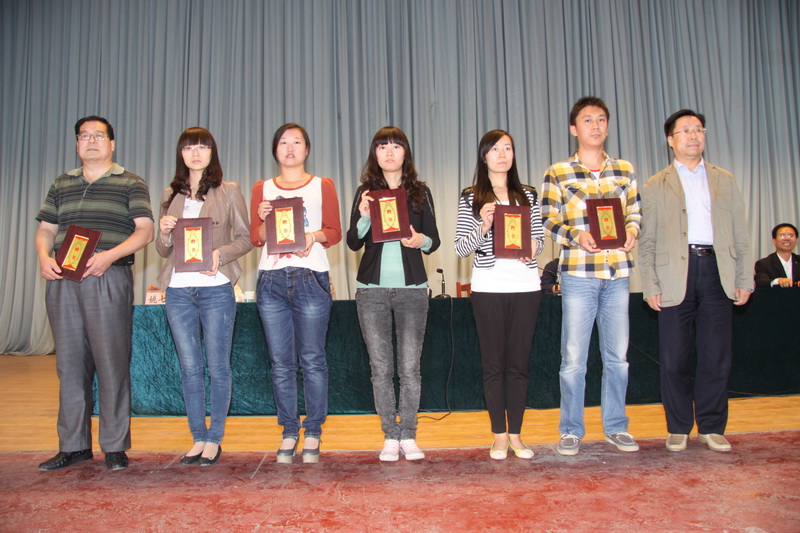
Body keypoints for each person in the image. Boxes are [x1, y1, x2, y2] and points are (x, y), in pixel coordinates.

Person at [35, 116, 154, 471]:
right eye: (84, 135)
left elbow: (145, 231)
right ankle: (73, 445)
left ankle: (114, 446)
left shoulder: (130, 182)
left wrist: (110, 256)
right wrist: (43, 257)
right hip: (63, 278)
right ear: (76, 143)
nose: (91, 141)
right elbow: (46, 228)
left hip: (108, 275)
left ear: (111, 143)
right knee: (69, 364)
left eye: (98, 135)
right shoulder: (62, 182)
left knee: (111, 361)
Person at [639, 109, 754, 453]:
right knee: (674, 358)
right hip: (674, 275)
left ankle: (712, 426)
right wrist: (650, 284)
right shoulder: (655, 184)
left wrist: (744, 277)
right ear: (670, 139)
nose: (693, 135)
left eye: (698, 129)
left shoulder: (724, 179)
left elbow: (740, 232)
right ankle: (678, 427)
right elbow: (647, 240)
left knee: (716, 355)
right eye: (685, 130)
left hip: (718, 271)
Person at [541, 97, 641, 456]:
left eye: (601, 119)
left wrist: (632, 231)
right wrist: (575, 236)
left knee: (618, 359)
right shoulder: (558, 172)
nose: (595, 126)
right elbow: (547, 219)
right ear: (574, 128)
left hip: (618, 274)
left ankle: (616, 426)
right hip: (579, 274)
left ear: (608, 126)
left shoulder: (624, 170)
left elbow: (635, 213)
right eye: (587, 120)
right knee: (573, 359)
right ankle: (570, 429)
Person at [155, 127, 252, 466]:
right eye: (188, 147)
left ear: (212, 152)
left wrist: (220, 254)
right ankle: (197, 437)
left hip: (215, 289)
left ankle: (215, 438)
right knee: (189, 368)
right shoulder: (170, 193)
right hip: (178, 290)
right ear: (181, 154)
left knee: (218, 366)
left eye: (202, 147)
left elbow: (246, 238)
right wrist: (163, 233)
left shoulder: (229, 190)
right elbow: (163, 250)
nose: (195, 153)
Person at [347, 127, 440, 462]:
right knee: (381, 368)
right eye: (382, 146)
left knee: (410, 368)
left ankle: (409, 434)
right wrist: (363, 217)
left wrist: (419, 240)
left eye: (396, 146)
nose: (389, 152)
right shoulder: (366, 192)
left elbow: (434, 241)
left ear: (405, 152)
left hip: (412, 290)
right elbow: (353, 242)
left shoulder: (420, 192)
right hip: (371, 291)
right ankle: (390, 434)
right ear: (374, 153)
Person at [250, 123, 342, 464]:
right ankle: (289, 429)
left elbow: (334, 231)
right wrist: (263, 219)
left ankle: (313, 429)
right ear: (275, 150)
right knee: (280, 362)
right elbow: (256, 238)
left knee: (313, 359)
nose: (290, 148)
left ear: (307, 149)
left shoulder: (322, 185)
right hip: (271, 280)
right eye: (283, 142)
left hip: (310, 277)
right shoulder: (262, 188)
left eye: (297, 142)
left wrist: (312, 237)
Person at [454, 129, 545, 460]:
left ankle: (517, 434)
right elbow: (461, 247)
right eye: (495, 149)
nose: (502, 154)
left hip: (525, 285)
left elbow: (539, 239)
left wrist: (531, 247)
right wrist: (483, 225)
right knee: (493, 365)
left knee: (519, 365)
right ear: (484, 156)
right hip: (489, 286)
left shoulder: (528, 194)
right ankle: (499, 436)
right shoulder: (471, 197)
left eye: (507, 148)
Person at [754, 223, 799, 288]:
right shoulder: (764, 264)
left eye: (791, 235)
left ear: (796, 240)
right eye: (782, 236)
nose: (787, 238)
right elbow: (761, 282)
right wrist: (778, 281)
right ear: (774, 240)